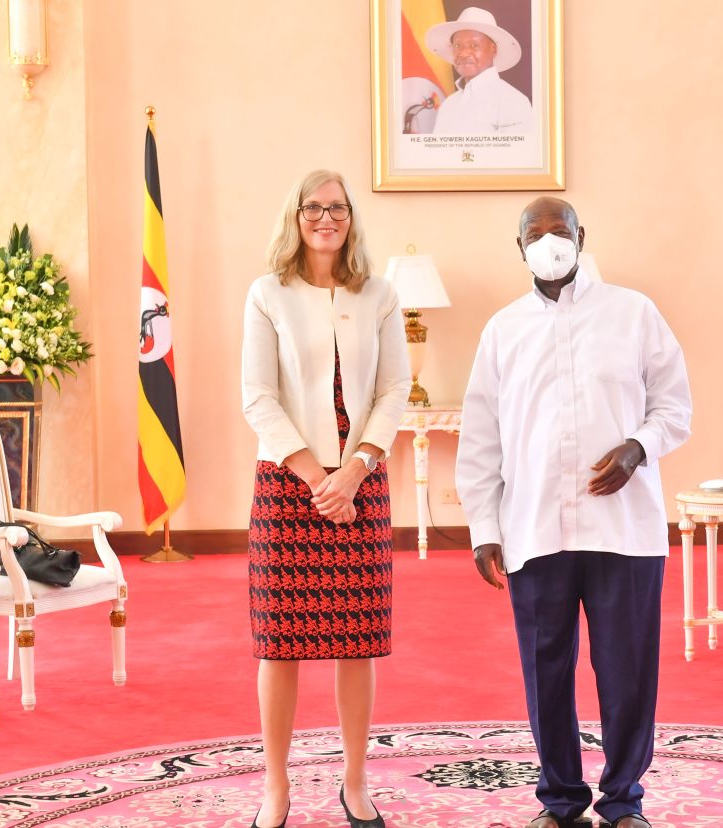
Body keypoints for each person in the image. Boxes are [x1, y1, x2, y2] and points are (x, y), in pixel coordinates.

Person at [455, 197, 692, 828]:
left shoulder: (634, 314)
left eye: (560, 231)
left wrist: (639, 448)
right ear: (520, 249)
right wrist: (485, 530)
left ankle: (624, 803)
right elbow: (481, 435)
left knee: (628, 672)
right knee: (546, 672)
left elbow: (675, 407)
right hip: (534, 528)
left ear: (582, 236)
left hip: (626, 532)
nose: (549, 242)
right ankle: (559, 802)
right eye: (535, 235)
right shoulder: (502, 331)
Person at [242, 169, 411, 828]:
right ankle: (276, 786)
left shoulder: (380, 294)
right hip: (289, 485)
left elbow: (396, 389)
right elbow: (257, 395)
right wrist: (319, 478)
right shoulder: (267, 294)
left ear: (350, 218)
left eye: (337, 207)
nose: (325, 217)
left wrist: (357, 468)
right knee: (277, 642)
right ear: (296, 216)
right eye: (314, 207)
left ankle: (355, 782)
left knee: (356, 640)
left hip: (360, 485)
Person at [426, 6, 533, 134]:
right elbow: (437, 154)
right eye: (458, 45)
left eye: (474, 45)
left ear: (493, 49)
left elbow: (517, 154)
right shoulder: (448, 104)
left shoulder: (513, 102)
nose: (464, 53)